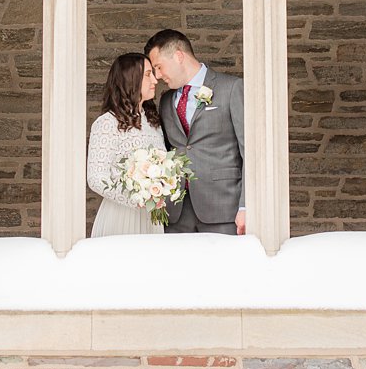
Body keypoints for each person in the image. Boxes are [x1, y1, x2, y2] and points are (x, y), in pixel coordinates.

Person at [144, 28, 246, 235]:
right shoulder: (165, 101)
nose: (157, 76)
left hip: (224, 209)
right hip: (177, 213)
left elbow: (250, 153)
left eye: (159, 67)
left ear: (179, 56)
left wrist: (245, 206)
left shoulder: (232, 88)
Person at [86, 52, 166, 237]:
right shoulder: (107, 123)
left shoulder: (152, 121)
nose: (155, 80)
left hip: (151, 216)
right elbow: (96, 178)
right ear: (131, 79)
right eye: (148, 75)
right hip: (121, 216)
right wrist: (135, 199)